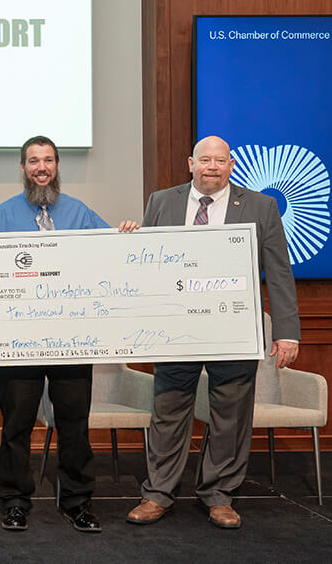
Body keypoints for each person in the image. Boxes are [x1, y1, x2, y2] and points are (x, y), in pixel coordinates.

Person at [126, 136, 300, 529]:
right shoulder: (161, 201)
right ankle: (157, 495)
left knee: (231, 414)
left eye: (220, 161)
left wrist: (287, 332)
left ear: (231, 165)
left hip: (233, 328)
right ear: (190, 163)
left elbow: (278, 270)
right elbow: (145, 266)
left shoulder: (261, 206)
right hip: (174, 328)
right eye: (205, 160)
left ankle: (219, 496)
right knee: (168, 412)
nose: (211, 167)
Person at [0, 135, 137, 534]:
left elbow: (111, 252)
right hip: (20, 340)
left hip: (73, 338)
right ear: (23, 168)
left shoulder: (79, 212)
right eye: (33, 161)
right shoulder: (1, 215)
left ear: (57, 166)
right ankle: (13, 501)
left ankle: (77, 502)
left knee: (74, 424)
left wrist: (126, 234)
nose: (41, 168)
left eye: (48, 161)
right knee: (16, 426)